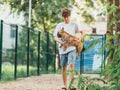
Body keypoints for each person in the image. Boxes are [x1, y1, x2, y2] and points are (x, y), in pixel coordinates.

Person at [53, 8, 85, 90]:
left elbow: (83, 32)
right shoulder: (59, 26)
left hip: (72, 48)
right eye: (64, 17)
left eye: (67, 17)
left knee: (71, 65)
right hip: (62, 49)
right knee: (64, 67)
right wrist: (62, 43)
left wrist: (79, 39)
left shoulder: (74, 25)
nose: (66, 18)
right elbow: (55, 37)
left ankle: (72, 85)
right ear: (63, 17)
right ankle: (65, 86)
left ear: (70, 16)